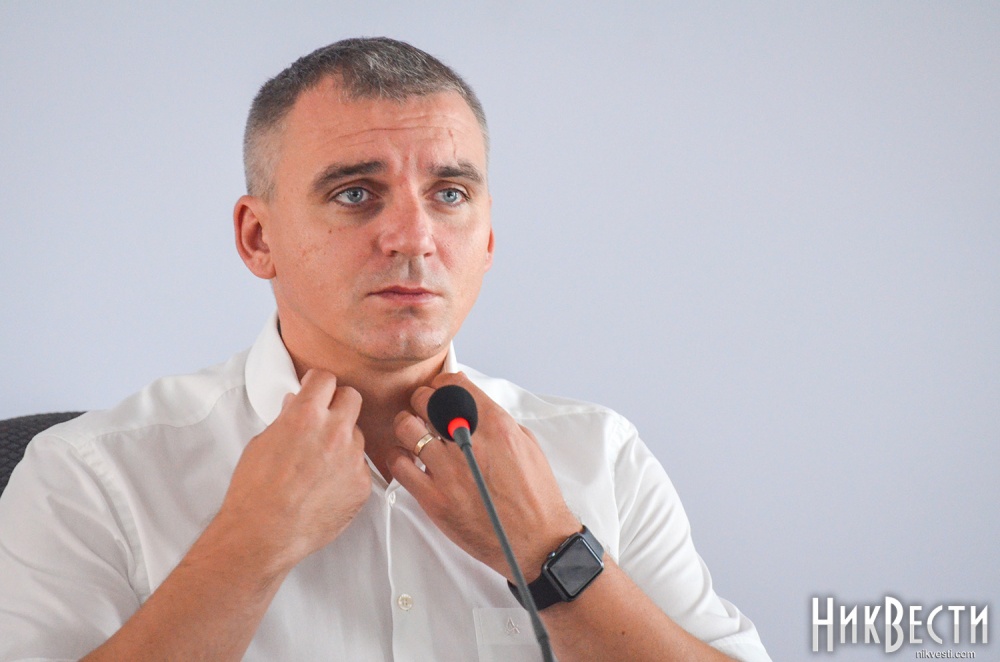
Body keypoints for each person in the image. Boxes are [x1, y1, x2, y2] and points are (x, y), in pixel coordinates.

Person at [0, 38, 770, 661]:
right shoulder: (87, 476)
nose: (413, 237)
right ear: (258, 237)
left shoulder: (601, 456)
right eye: (355, 194)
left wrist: (549, 554)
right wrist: (246, 551)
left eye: (450, 194)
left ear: (488, 238)